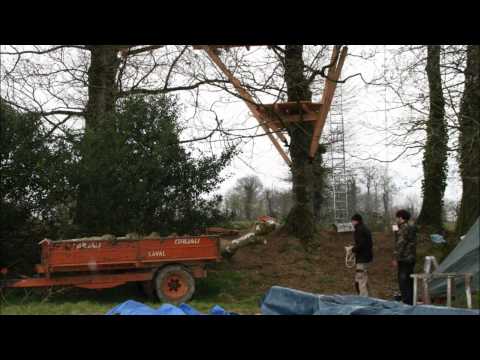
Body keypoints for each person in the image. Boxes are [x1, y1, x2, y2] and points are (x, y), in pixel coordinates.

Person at [392, 209, 417, 305]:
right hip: (411, 257)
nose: (396, 219)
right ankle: (411, 300)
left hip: (404, 258)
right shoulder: (411, 226)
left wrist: (395, 258)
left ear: (401, 218)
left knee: (403, 281)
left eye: (397, 217)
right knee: (409, 281)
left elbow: (400, 244)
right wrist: (396, 230)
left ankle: (406, 302)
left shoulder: (404, 228)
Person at [350, 213, 373, 297]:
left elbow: (361, 244)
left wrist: (352, 249)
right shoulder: (365, 228)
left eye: (352, 221)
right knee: (362, 278)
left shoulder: (359, 230)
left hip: (362, 258)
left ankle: (363, 298)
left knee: (360, 279)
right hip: (367, 257)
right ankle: (366, 295)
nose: (352, 223)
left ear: (356, 221)